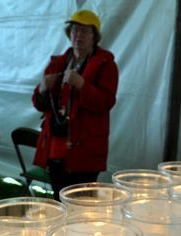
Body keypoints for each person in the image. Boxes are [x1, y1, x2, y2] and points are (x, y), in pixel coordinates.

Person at [32, 10, 119, 201]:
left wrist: (81, 85)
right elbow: (39, 104)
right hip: (56, 146)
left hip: (85, 150)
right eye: (75, 30)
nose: (78, 35)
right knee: (59, 198)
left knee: (82, 202)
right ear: (69, 34)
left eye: (85, 31)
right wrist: (42, 89)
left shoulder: (106, 64)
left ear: (94, 36)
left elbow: (105, 103)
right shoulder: (58, 63)